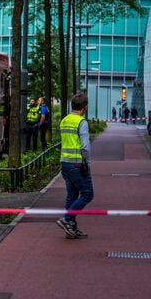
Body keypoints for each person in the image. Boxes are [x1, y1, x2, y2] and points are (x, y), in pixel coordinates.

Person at [56, 92, 93, 239]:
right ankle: (67, 219)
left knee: (72, 195)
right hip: (77, 164)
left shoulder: (64, 120)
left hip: (65, 163)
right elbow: (85, 146)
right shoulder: (81, 122)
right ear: (84, 107)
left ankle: (70, 229)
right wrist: (87, 162)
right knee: (88, 194)